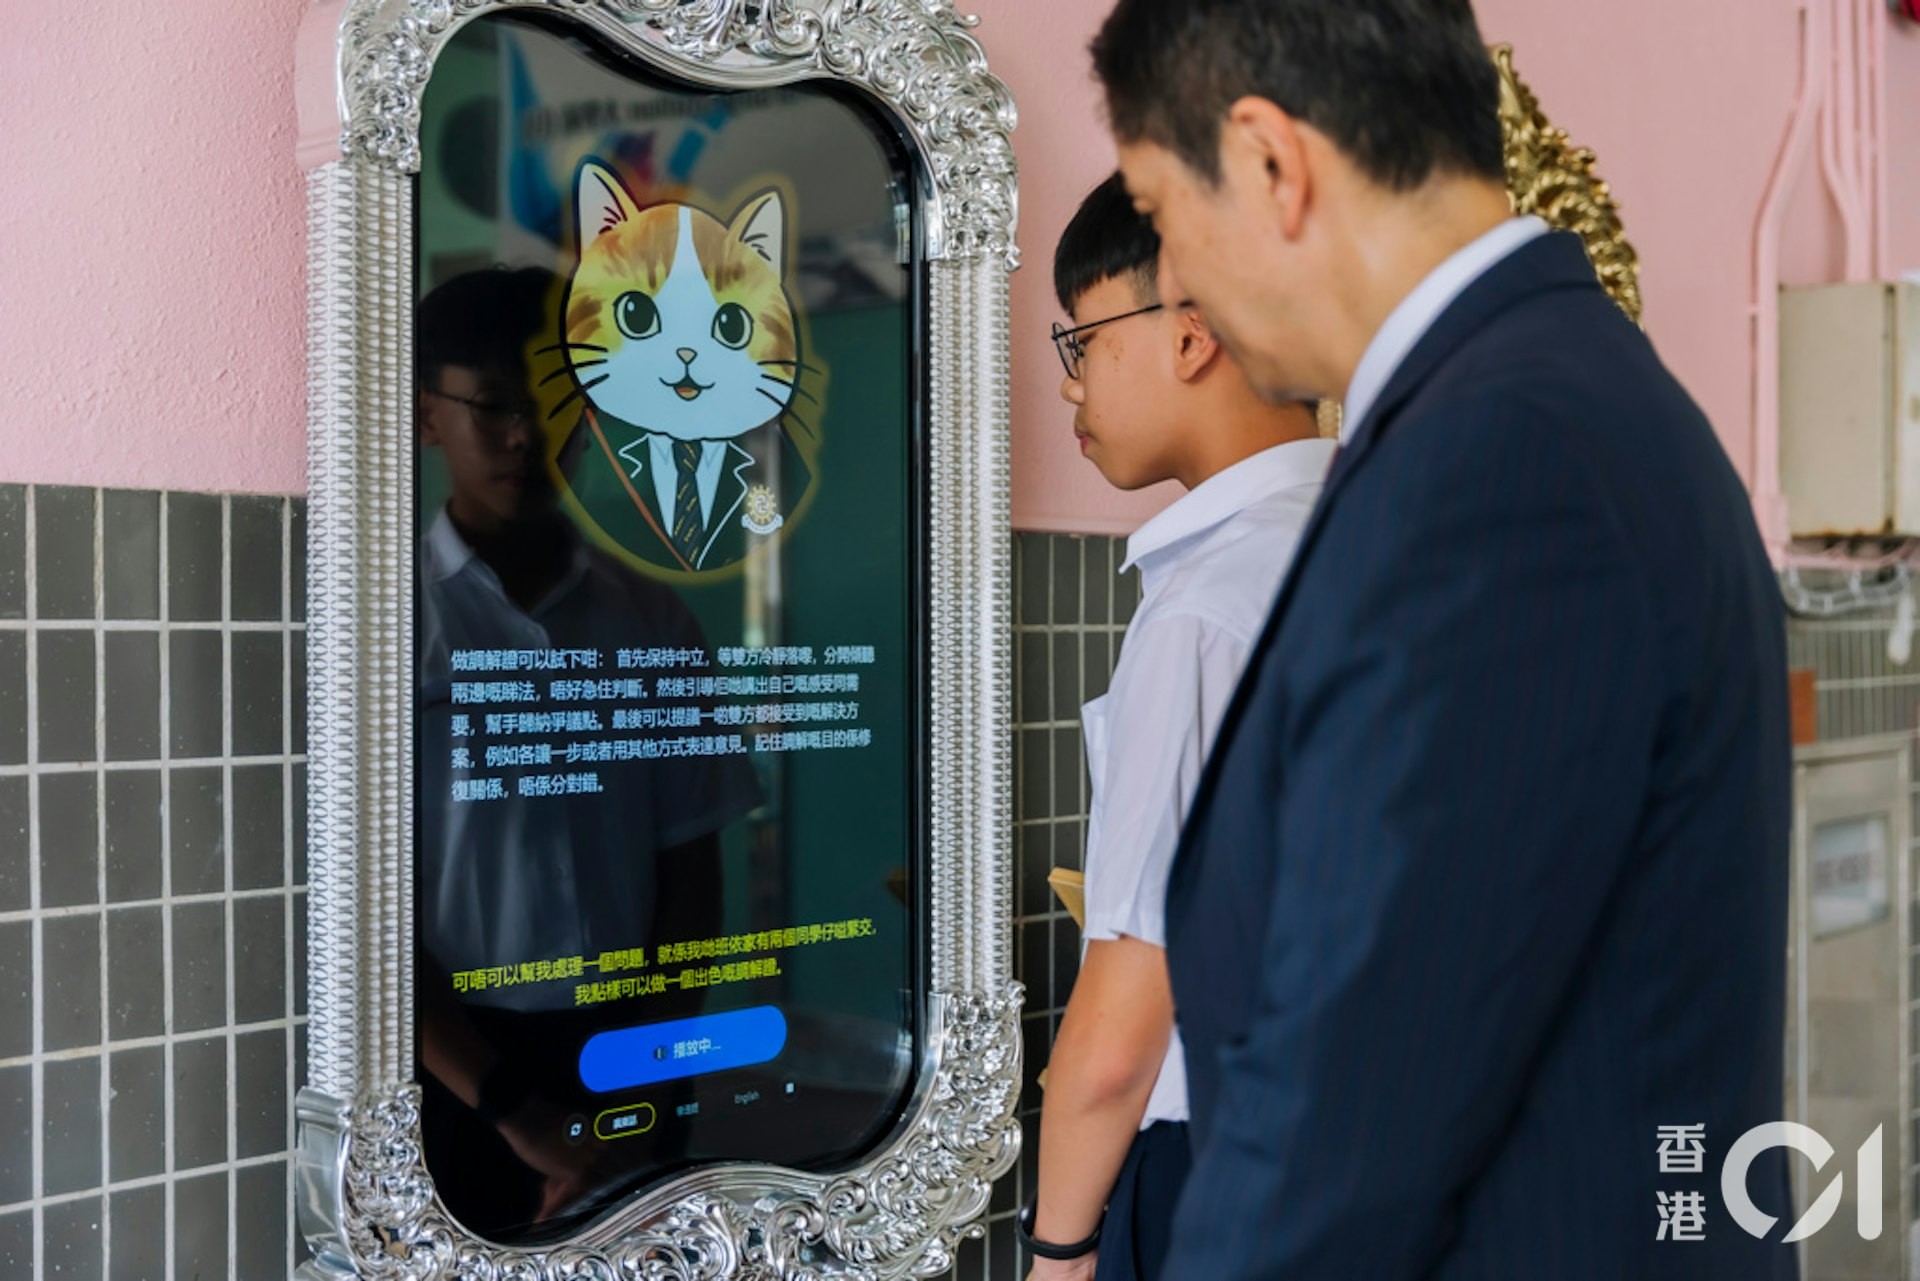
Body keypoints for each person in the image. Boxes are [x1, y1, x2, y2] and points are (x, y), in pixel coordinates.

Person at [1089, 2, 1796, 1278]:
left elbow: (1346, 1117)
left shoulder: (1502, 463)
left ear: (1269, 160)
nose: (1175, 269)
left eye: (1161, 210)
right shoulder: (1551, 395)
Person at [1023, 175, 1331, 1281]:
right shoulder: (1385, 546)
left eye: (1083, 339)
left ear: (1191, 333)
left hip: (1220, 1171)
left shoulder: (1203, 610)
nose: (1071, 385)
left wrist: (1060, 1248)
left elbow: (1128, 1014)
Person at [413, 266, 758, 1237]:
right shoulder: (395, 622)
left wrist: (643, 1084)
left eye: (557, 401)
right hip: (456, 1069)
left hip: (630, 1054)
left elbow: (691, 875)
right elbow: (364, 918)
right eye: (494, 406)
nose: (528, 435)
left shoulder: (652, 619)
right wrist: (515, 1113)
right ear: (429, 414)